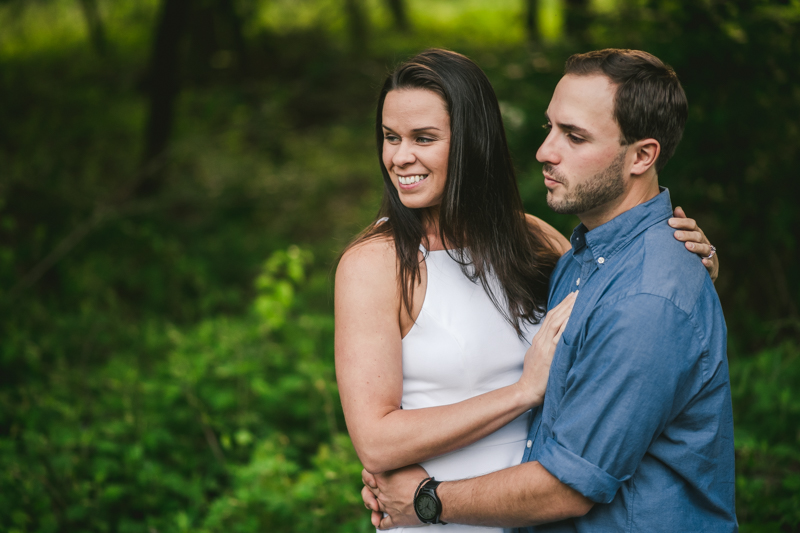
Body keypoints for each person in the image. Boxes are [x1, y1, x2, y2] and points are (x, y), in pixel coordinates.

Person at [338, 49, 720, 533]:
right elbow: (374, 441)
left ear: (472, 142)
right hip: (437, 518)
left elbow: (631, 310)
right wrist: (521, 394)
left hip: (529, 514)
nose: (399, 157)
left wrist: (690, 265)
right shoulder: (376, 263)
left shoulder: (536, 242)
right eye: (390, 138)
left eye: (424, 138)